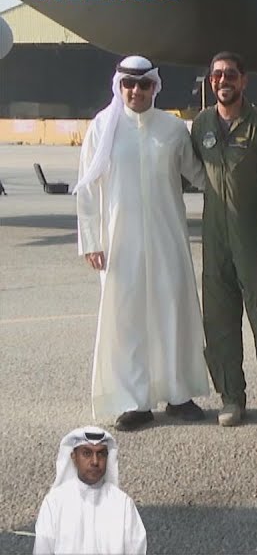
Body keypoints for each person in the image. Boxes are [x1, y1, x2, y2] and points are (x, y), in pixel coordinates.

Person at [74, 55, 209, 431]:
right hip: (120, 242)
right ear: (119, 86)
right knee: (128, 321)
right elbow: (87, 187)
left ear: (155, 87)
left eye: (144, 84)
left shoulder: (172, 128)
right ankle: (136, 402)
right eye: (129, 84)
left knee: (172, 313)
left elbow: (200, 175)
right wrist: (91, 240)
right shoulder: (103, 128)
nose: (136, 91)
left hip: (168, 238)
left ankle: (178, 394)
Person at [190, 51, 257, 427]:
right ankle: (231, 397)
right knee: (219, 322)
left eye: (231, 74)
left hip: (252, 236)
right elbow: (187, 169)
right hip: (215, 238)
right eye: (217, 75)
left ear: (244, 80)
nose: (223, 81)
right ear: (211, 81)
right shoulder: (201, 125)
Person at [34, 427, 146, 555]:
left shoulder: (123, 504)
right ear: (74, 457)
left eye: (101, 454)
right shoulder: (55, 502)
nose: (95, 461)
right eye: (87, 453)